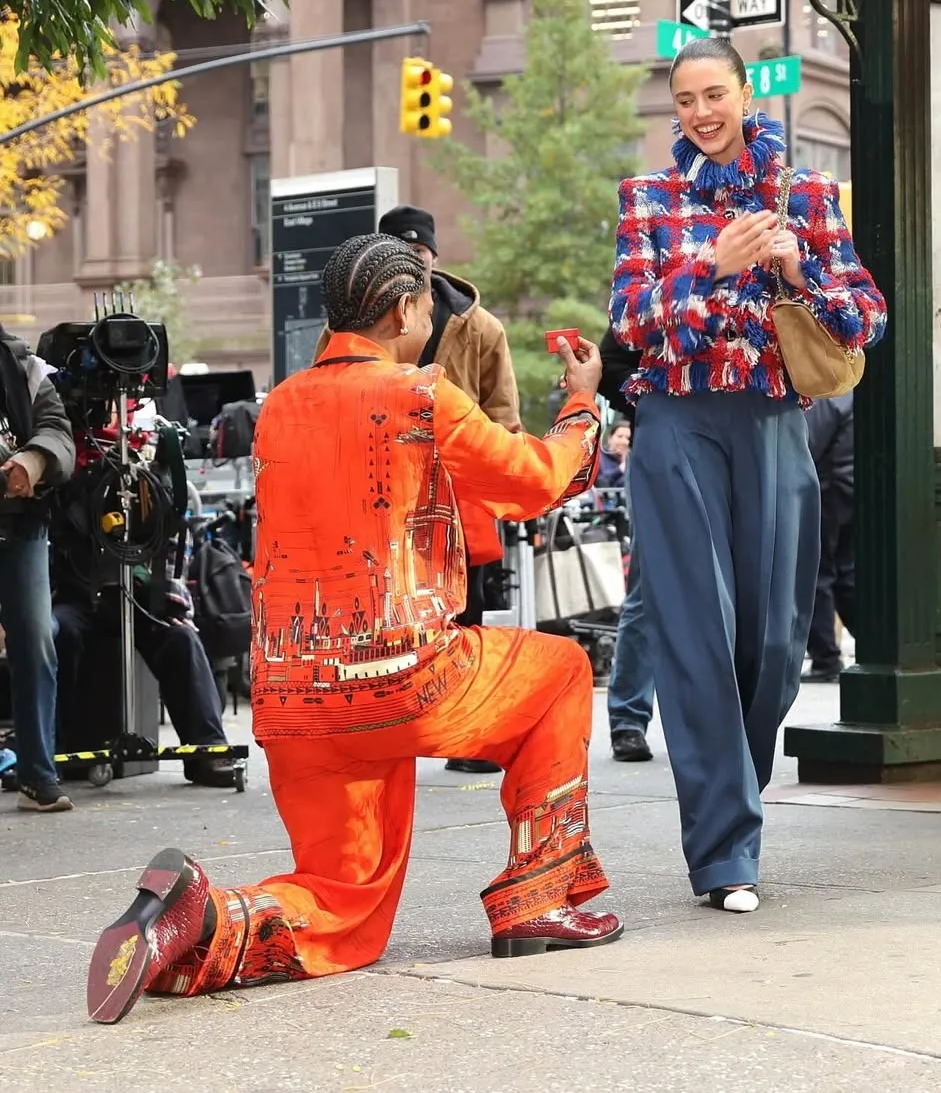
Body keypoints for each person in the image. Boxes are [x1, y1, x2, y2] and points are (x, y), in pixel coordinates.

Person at [87, 233, 621, 1025]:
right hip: (405, 680)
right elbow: (536, 480)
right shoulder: (421, 394)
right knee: (564, 670)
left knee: (344, 907)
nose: (428, 325)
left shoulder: (279, 406)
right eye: (426, 310)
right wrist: (582, 403)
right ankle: (538, 900)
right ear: (403, 310)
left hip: (296, 703)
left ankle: (203, 918)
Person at [610, 36, 886, 913]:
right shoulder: (648, 197)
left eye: (714, 94)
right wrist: (711, 265)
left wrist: (796, 268)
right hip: (676, 423)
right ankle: (726, 851)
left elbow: (865, 318)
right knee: (696, 636)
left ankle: (734, 791)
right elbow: (629, 321)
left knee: (772, 646)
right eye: (685, 100)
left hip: (773, 423)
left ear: (744, 94)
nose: (700, 113)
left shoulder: (805, 195)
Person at [317, 205, 521, 776]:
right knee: (378, 617)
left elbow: (504, 415)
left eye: (420, 253)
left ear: (433, 256)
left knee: (463, 617)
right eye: (400, 252)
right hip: (378, 494)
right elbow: (326, 394)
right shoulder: (347, 327)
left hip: (455, 495)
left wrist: (490, 470)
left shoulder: (480, 326)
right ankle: (381, 730)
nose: (412, 262)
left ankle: (467, 734)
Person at [52, 568, 240, 789]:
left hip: (141, 596)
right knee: (57, 633)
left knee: (182, 638)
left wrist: (171, 598)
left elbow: (173, 565)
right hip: (77, 596)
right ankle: (45, 754)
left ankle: (207, 748)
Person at [0, 324, 76, 811]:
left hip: (20, 524)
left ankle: (37, 776)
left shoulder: (21, 364)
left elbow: (58, 431)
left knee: (35, 640)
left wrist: (33, 460)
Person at [598, 330, 655, 763]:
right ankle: (629, 718)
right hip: (660, 443)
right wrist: (655, 401)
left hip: (743, 442)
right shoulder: (646, 291)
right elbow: (609, 364)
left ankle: (730, 716)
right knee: (649, 587)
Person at [803, 393, 855, 683]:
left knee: (816, 575)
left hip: (828, 490)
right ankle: (875, 644)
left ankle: (825, 657)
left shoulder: (830, 394)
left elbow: (810, 443)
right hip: (851, 488)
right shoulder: (854, 393)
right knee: (846, 574)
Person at [597, 419, 630, 489]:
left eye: (628, 438)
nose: (624, 441)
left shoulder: (633, 461)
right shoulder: (599, 458)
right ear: (609, 438)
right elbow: (600, 482)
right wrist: (620, 469)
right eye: (620, 436)